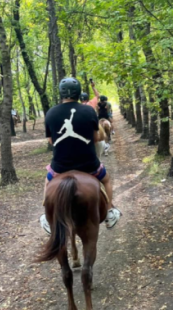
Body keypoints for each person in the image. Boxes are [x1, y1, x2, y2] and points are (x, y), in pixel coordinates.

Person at [39, 77, 120, 234]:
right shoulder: (89, 110)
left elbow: (51, 141)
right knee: (107, 180)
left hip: (60, 166)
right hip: (88, 165)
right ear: (78, 93)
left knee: (47, 181)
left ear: (61, 93)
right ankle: (110, 210)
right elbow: (97, 138)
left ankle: (46, 215)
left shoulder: (50, 113)